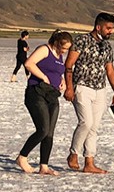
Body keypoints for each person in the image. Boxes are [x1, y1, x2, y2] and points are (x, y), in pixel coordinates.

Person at [64, 13, 114, 174]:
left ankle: (89, 162)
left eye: (112, 28)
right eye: (108, 28)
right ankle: (73, 153)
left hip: (100, 89)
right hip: (82, 86)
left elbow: (110, 70)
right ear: (98, 27)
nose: (111, 31)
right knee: (86, 122)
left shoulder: (107, 46)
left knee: (94, 127)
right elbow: (68, 65)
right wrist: (69, 87)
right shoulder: (82, 41)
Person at [16, 30, 73, 175]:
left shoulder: (59, 56)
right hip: (37, 92)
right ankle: (22, 157)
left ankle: (44, 166)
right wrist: (44, 77)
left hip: (52, 95)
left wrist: (61, 82)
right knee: (43, 129)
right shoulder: (44, 49)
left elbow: (57, 71)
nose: (65, 52)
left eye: (67, 49)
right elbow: (29, 64)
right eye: (64, 48)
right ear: (56, 43)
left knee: (49, 133)